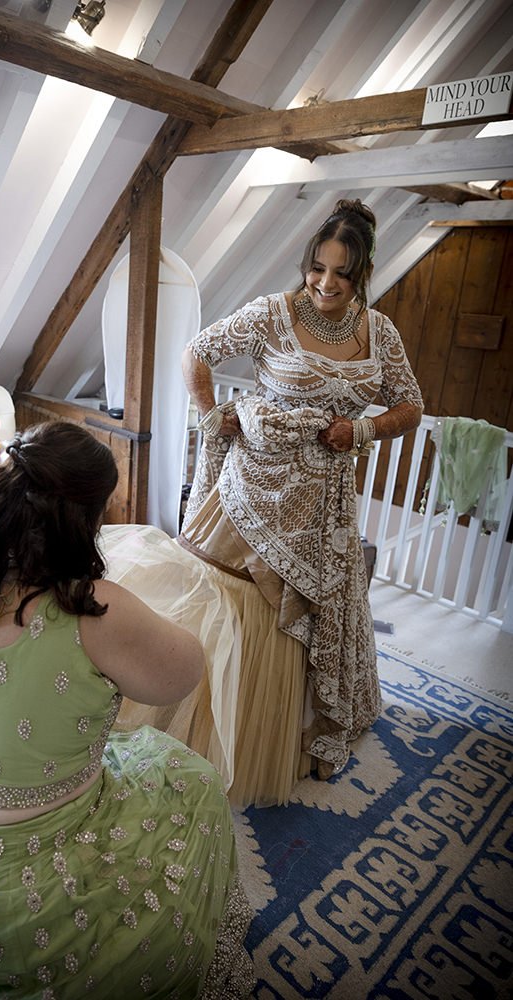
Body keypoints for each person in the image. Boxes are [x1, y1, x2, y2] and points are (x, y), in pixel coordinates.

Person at [0, 421, 254, 998]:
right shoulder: (95, 609)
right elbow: (184, 672)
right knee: (189, 778)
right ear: (88, 518)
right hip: (12, 909)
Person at [109, 198, 423, 808]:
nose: (326, 284)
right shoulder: (273, 314)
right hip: (253, 486)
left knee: (308, 617)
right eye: (318, 268)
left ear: (362, 275)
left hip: (324, 500)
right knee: (230, 603)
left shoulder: (379, 333)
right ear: (306, 264)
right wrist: (209, 414)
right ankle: (204, 731)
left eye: (342, 274)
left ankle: (284, 733)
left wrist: (360, 431)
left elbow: (410, 407)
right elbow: (194, 353)